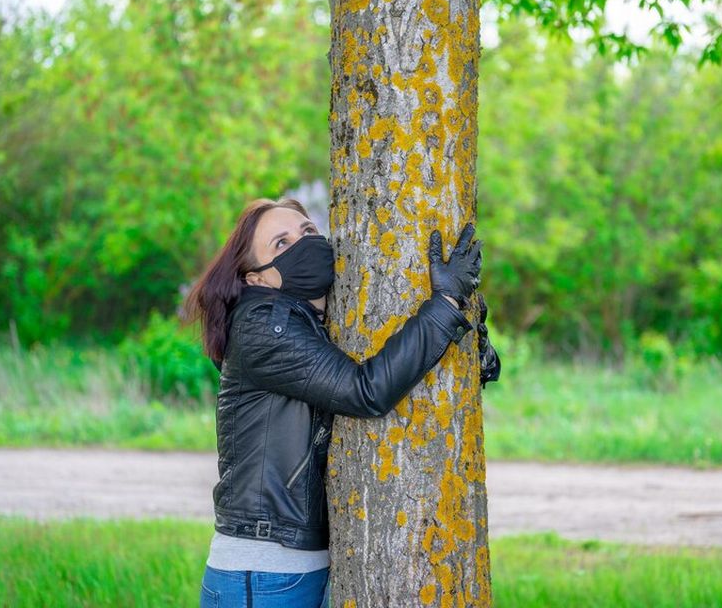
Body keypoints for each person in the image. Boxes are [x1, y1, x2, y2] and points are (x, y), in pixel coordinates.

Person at [183, 197, 500, 608]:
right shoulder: (264, 324)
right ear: (256, 279)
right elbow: (364, 390)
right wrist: (444, 304)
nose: (303, 243)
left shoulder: (311, 322)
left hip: (291, 571)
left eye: (307, 231)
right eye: (280, 243)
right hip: (261, 574)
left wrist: (472, 336)